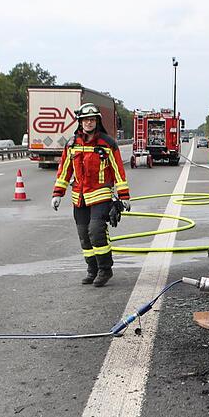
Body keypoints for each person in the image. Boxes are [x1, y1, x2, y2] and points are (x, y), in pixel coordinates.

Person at [51, 103, 131, 287]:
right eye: (85, 120)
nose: (89, 123)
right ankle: (92, 269)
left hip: (100, 195)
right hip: (79, 197)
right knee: (84, 236)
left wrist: (124, 196)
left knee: (96, 232)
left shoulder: (107, 144)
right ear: (80, 122)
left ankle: (105, 269)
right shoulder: (72, 144)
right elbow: (64, 171)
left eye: (92, 119)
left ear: (97, 122)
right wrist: (57, 193)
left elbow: (118, 171)